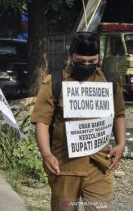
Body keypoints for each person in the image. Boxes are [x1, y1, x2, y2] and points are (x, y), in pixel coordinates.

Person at [31, 32, 126, 211]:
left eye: (92, 61)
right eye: (81, 61)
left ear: (98, 58)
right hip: (65, 168)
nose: (87, 65)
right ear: (70, 56)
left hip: (99, 167)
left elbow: (119, 114)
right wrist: (46, 154)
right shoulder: (54, 83)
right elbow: (42, 121)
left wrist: (121, 144)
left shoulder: (109, 82)